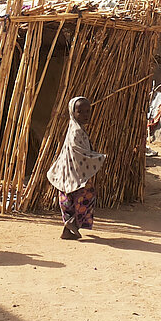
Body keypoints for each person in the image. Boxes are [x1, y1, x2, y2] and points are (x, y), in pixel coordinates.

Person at [46, 96, 106, 240]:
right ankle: (71, 225)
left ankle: (68, 229)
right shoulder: (76, 132)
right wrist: (98, 157)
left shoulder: (76, 128)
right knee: (86, 197)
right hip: (75, 174)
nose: (85, 114)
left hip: (70, 173)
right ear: (73, 113)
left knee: (70, 200)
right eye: (81, 112)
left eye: (87, 111)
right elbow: (79, 152)